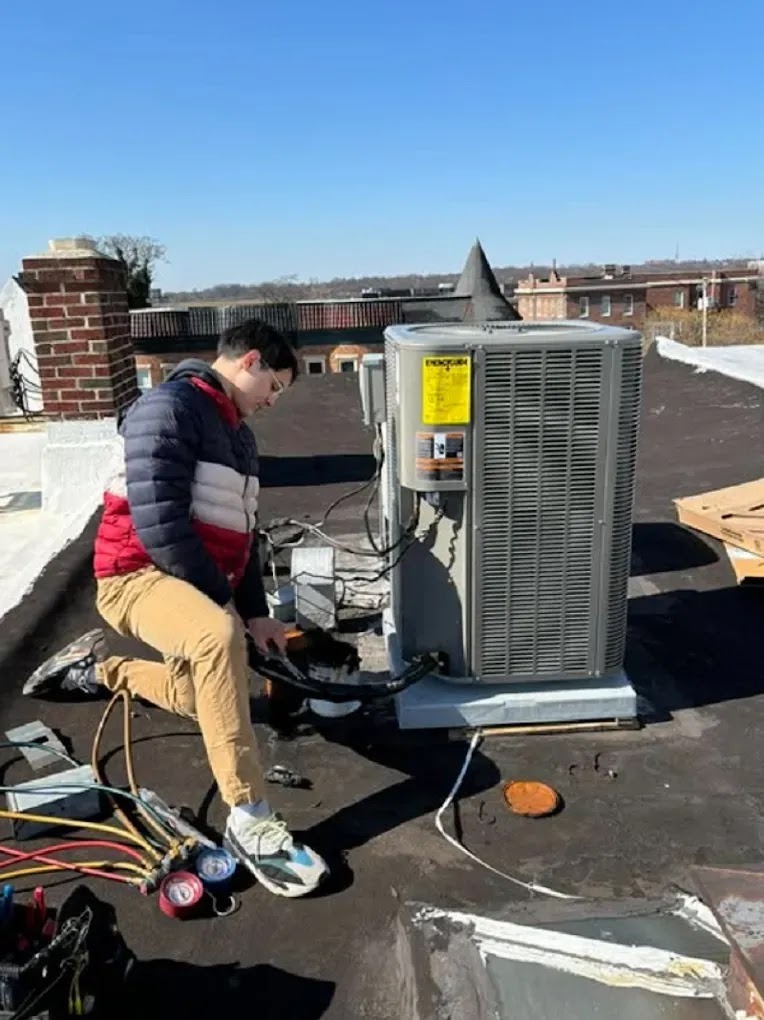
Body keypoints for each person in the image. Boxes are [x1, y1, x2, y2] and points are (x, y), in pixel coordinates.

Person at [23, 319, 328, 899]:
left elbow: (244, 538)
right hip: (133, 577)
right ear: (251, 361)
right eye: (275, 386)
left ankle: (100, 671)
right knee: (216, 638)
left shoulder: (238, 436)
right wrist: (227, 611)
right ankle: (249, 817)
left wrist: (256, 613)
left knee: (205, 699)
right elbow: (160, 527)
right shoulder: (168, 410)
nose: (272, 401)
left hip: (187, 583)